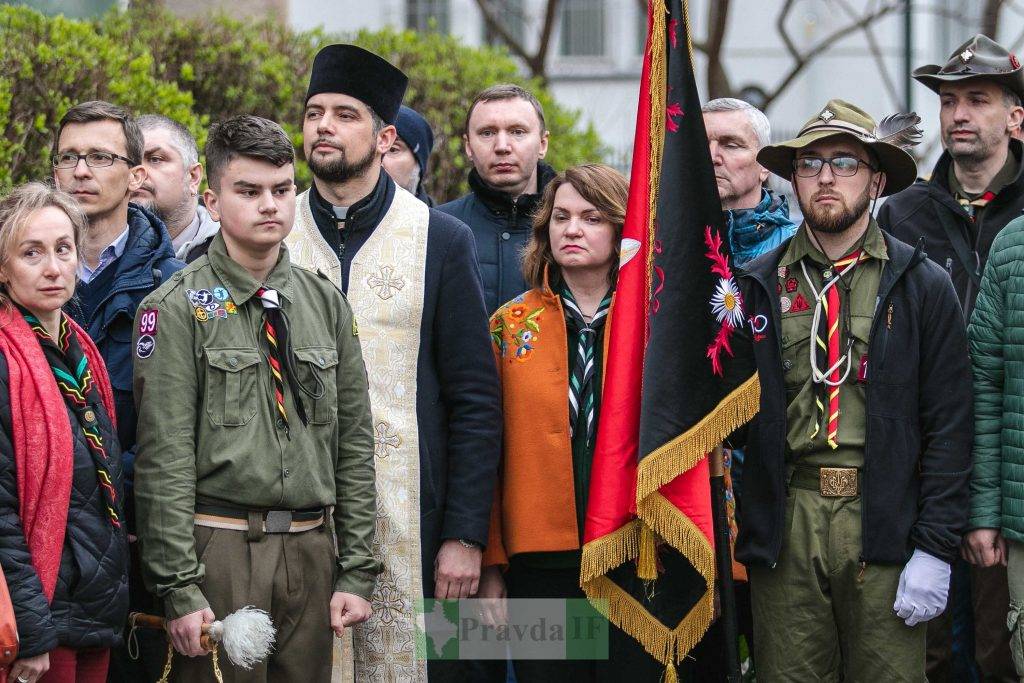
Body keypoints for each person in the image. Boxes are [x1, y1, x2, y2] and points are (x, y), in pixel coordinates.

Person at [728, 100, 972, 680]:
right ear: (792, 178)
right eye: (810, 165)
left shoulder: (921, 284)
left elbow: (950, 424)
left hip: (886, 516)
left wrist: (936, 547)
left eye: (845, 163)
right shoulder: (756, 285)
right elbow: (724, 416)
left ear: (877, 179)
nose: (826, 178)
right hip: (788, 520)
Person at [132, 115, 379, 682]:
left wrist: (357, 569)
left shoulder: (325, 304)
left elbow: (355, 445)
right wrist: (179, 585)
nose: (269, 205)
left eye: (281, 189)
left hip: (313, 550)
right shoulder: (175, 307)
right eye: (248, 191)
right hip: (221, 548)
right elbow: (163, 457)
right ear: (213, 202)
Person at [286, 44, 501, 681]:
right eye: (315, 112)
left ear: (383, 138)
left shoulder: (438, 236)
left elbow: (474, 399)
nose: (324, 126)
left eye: (344, 114)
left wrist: (465, 535)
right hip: (292, 525)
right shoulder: (273, 231)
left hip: (416, 518)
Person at [477, 163, 665, 681]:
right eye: (560, 217)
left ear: (622, 229)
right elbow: (483, 452)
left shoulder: (655, 324)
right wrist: (491, 562)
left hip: (636, 556)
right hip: (540, 565)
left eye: (591, 217)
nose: (572, 229)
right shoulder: (509, 326)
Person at [878, 34, 1024, 682]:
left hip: (1010, 475)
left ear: (1016, 116)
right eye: (949, 100)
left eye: (979, 99)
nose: (959, 112)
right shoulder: (902, 216)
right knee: (926, 656)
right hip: (922, 475)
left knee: (1001, 652)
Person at [50, 101, 182, 683]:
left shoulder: (173, 285)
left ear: (134, 176)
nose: (82, 171)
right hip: (41, 531)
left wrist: (117, 493)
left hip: (134, 532)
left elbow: (175, 422)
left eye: (100, 157)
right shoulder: (22, 277)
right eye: (69, 157)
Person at [0, 183, 128, 683]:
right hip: (39, 620)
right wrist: (32, 631)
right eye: (31, 253)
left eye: (63, 249)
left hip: (90, 608)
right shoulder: (8, 363)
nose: (53, 267)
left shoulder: (80, 352)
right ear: (3, 268)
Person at [437, 84, 555, 314]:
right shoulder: (438, 227)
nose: (502, 147)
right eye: (487, 133)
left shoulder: (571, 227)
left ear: (542, 144)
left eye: (517, 132)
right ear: (468, 146)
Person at [703, 97, 797, 265]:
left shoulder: (796, 250)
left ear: (764, 166)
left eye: (731, 145)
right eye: (701, 145)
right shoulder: (666, 242)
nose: (711, 157)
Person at [132, 115, 220, 263]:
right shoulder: (89, 251)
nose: (138, 173)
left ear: (193, 177)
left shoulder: (234, 252)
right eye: (131, 162)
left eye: (155, 159)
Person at [383, 105, 435, 205]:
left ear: (418, 164)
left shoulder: (438, 219)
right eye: (373, 149)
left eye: (393, 149)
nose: (378, 161)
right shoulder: (349, 216)